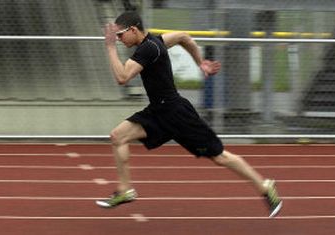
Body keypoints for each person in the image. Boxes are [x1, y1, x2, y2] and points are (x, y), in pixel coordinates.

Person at [96, 11, 282, 217]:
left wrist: (110, 47)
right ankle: (125, 190)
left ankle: (265, 187)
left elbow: (122, 77)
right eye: (117, 37)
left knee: (220, 157)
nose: (119, 40)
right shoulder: (156, 42)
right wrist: (200, 62)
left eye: (120, 35)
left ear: (133, 30)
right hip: (158, 111)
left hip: (177, 114)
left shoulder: (148, 49)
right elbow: (183, 36)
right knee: (118, 136)